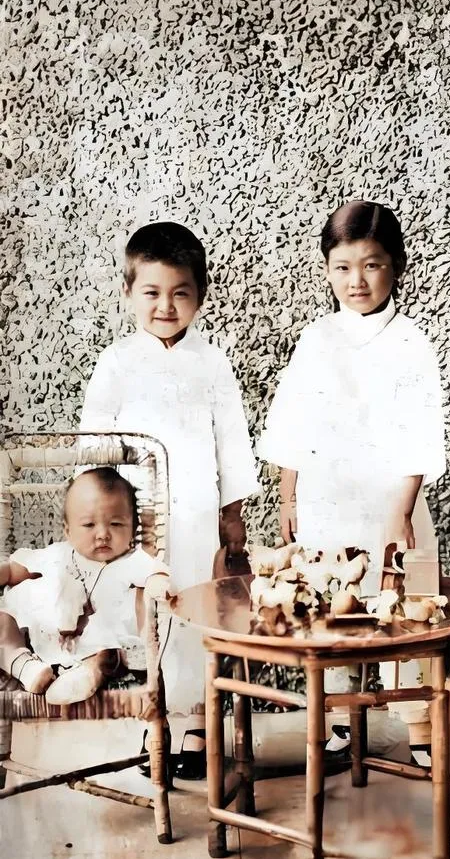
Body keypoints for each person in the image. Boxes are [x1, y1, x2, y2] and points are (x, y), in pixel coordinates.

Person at [258, 200, 446, 767]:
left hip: (391, 498)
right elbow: (293, 422)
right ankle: (340, 719)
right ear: (326, 270)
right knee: (330, 600)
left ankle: (419, 725)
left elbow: (419, 432)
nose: (356, 280)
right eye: (342, 267)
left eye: (372, 265)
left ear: (397, 267)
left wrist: (402, 511)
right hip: (327, 496)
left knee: (404, 603)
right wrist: (290, 495)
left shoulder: (410, 341)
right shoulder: (317, 339)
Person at [80, 221, 259, 777]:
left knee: (198, 613)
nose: (165, 306)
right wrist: (100, 512)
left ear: (200, 295)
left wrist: (232, 513)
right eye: (152, 292)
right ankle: (155, 719)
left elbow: (231, 441)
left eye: (180, 293)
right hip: (136, 517)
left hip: (198, 514)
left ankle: (200, 726)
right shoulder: (116, 363)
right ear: (128, 292)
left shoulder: (212, 363)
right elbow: (94, 440)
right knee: (149, 617)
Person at [0, 468, 168, 705]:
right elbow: (14, 571)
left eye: (116, 524)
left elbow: (156, 573)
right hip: (44, 635)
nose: (103, 534)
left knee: (110, 648)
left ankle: (90, 674)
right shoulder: (57, 554)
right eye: (89, 524)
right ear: (68, 531)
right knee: (4, 620)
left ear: (132, 529)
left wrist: (159, 582)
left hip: (97, 639)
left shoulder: (130, 561)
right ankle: (25, 666)